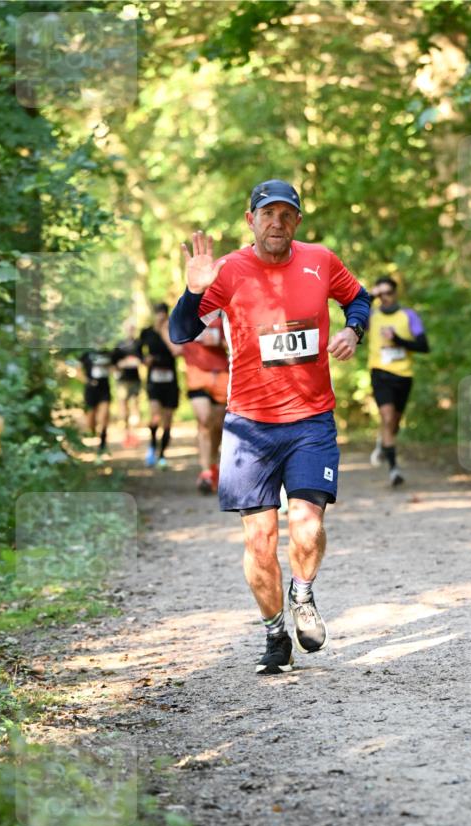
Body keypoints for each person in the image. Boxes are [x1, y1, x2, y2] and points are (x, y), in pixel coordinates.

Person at [170, 179, 370, 675]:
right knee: (259, 541)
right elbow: (181, 331)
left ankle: (302, 594)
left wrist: (352, 328)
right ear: (250, 220)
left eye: (286, 215)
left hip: (310, 420)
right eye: (267, 214)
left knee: (307, 525)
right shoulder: (231, 269)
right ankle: (275, 633)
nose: (276, 223)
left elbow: (359, 298)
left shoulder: (321, 260)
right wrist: (194, 292)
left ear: (297, 221)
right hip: (248, 429)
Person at [368, 276, 429, 486]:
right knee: (386, 416)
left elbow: (424, 346)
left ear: (395, 293)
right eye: (380, 294)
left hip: (403, 375)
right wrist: (370, 296)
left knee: (394, 422)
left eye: (388, 293)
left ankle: (384, 442)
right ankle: (394, 470)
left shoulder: (408, 315)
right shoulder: (371, 316)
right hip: (379, 372)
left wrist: (397, 340)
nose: (384, 297)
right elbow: (353, 312)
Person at [180, 308, 229, 494]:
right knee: (204, 420)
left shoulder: (223, 311)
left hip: (221, 374)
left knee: (217, 425)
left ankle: (213, 464)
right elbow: (174, 338)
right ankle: (205, 471)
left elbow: (237, 340)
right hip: (197, 374)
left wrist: (218, 341)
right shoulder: (186, 310)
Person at [139, 303, 182, 468]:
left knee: (168, 420)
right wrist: (144, 360)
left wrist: (165, 332)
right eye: (158, 314)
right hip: (154, 380)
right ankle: (151, 446)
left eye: (164, 314)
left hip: (170, 380)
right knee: (155, 415)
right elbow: (137, 349)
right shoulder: (147, 332)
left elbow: (178, 351)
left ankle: (162, 455)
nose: (160, 317)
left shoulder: (173, 332)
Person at [111, 321, 143, 447]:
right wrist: (121, 365)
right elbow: (114, 364)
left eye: (132, 328)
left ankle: (134, 435)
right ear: (124, 330)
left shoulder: (138, 343)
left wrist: (134, 362)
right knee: (123, 409)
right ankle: (126, 435)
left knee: (135, 406)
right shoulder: (119, 345)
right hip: (122, 381)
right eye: (128, 328)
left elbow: (141, 360)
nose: (130, 331)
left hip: (135, 379)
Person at [79, 347, 113, 457]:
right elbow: (77, 369)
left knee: (103, 417)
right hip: (90, 390)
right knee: (90, 422)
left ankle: (102, 445)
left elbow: (115, 366)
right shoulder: (86, 353)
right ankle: (92, 441)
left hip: (104, 389)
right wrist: (87, 381)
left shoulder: (108, 352)